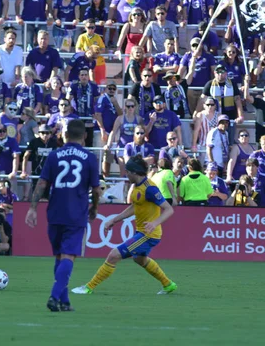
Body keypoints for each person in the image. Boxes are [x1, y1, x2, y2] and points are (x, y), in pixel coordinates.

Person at [72, 154, 176, 296]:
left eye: (127, 172)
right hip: (143, 232)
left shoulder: (150, 188)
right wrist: (115, 220)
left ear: (134, 172)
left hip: (148, 234)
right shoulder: (137, 186)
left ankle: (88, 287)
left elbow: (169, 209)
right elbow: (135, 207)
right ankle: (168, 284)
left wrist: (154, 222)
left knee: (114, 255)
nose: (125, 174)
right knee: (140, 259)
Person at [25, 119, 100, 311]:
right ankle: (54, 295)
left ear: (63, 136)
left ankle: (64, 302)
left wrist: (33, 208)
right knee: (68, 256)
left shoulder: (54, 156)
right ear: (84, 136)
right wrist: (95, 207)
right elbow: (96, 189)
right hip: (76, 213)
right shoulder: (90, 157)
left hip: (55, 212)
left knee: (59, 257)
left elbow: (41, 183)